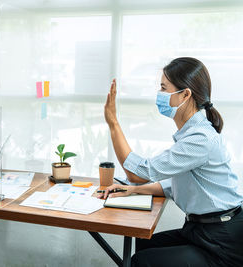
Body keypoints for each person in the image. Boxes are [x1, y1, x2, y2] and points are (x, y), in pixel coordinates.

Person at [100, 57, 243, 267]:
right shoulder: (190, 134)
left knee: (143, 262)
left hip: (222, 239)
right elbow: (177, 183)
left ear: (185, 94)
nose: (160, 94)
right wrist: (134, 190)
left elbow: (138, 173)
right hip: (201, 229)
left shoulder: (200, 139)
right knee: (144, 245)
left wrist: (113, 123)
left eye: (164, 88)